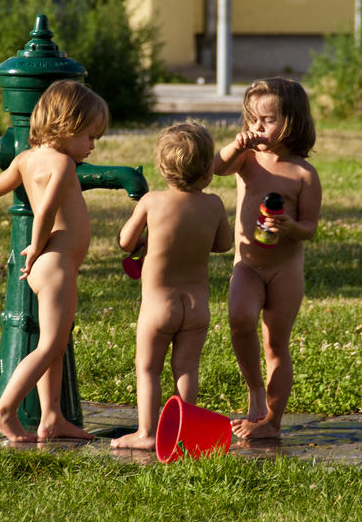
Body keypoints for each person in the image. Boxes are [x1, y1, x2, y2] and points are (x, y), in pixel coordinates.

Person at [0, 79, 109, 443]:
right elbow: (46, 212)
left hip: (50, 265)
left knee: (53, 342)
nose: (91, 146)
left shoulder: (25, 159)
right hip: (55, 263)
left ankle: (52, 418)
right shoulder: (63, 164)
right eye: (89, 136)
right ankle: (4, 409)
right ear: (67, 126)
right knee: (52, 344)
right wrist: (37, 247)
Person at [111, 121, 232, 451]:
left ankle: (147, 434)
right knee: (187, 368)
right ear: (208, 170)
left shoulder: (152, 201)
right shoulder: (214, 205)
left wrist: (148, 241)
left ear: (162, 168)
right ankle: (184, 432)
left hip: (158, 307)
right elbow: (223, 244)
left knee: (148, 369)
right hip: (196, 307)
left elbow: (125, 242)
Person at [213, 77, 322, 440]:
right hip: (247, 264)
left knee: (276, 345)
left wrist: (289, 224)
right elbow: (217, 167)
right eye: (252, 120)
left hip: (284, 271)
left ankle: (271, 423)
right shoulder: (246, 158)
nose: (257, 127)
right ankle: (255, 391)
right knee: (239, 319)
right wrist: (234, 145)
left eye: (268, 120)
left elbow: (309, 227)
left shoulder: (303, 173)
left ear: (291, 121)